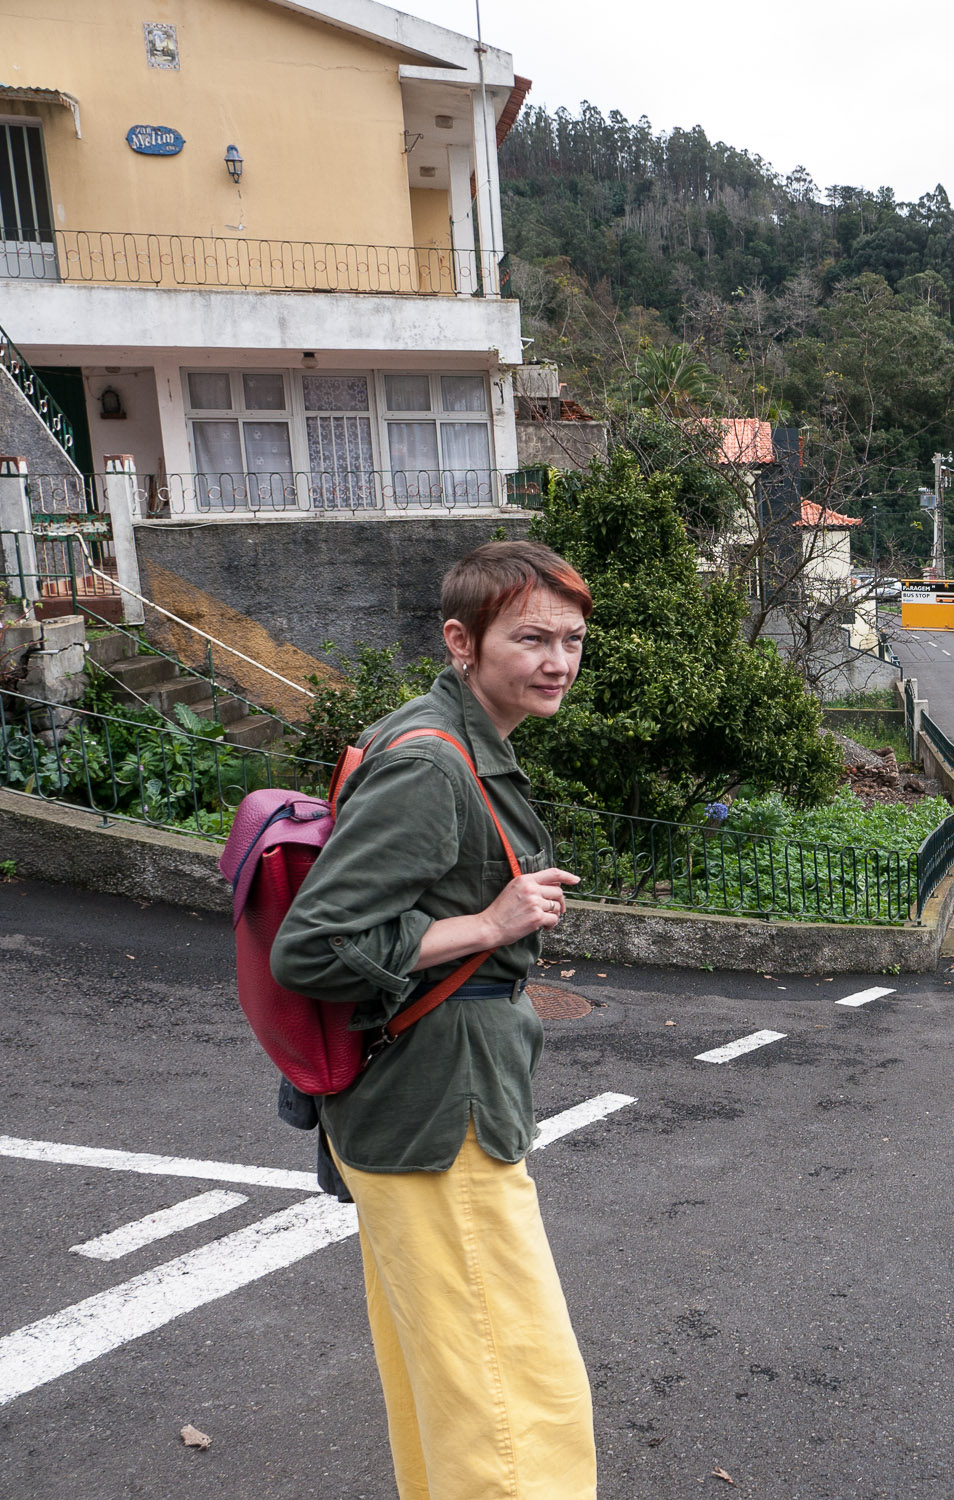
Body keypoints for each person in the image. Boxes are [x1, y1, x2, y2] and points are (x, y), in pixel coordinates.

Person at [272, 540, 597, 1499]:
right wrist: (488, 925)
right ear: (462, 641)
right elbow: (313, 946)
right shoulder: (432, 763)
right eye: (531, 638)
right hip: (437, 1112)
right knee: (515, 1396)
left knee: (451, 1383)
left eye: (572, 640)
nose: (558, 661)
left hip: (429, 1099)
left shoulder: (452, 737)